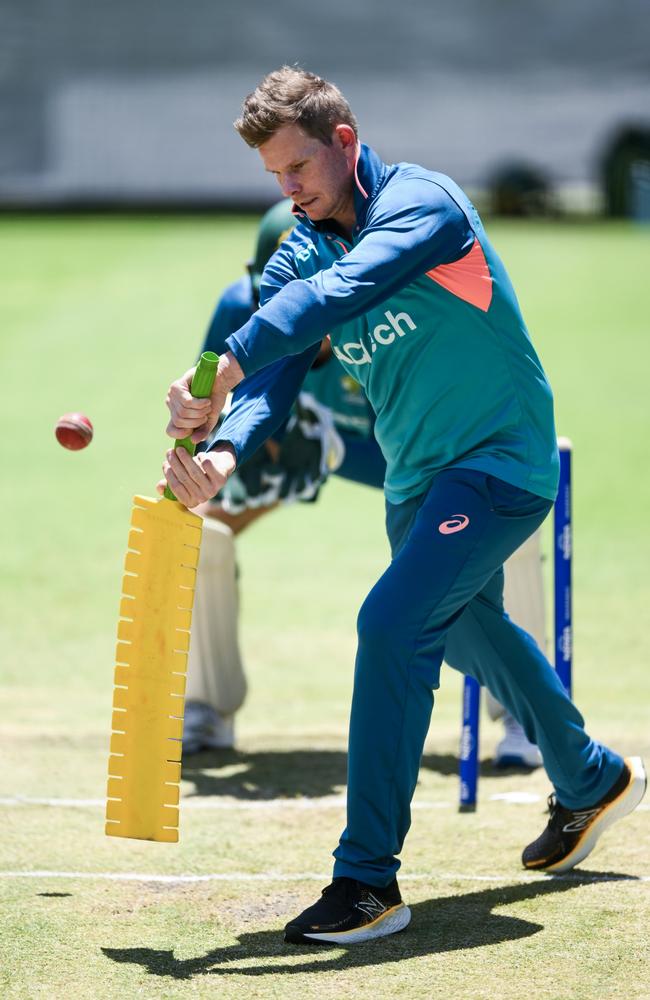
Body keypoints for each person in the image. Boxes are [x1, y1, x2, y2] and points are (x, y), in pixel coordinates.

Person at [160, 68, 646, 945]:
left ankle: (367, 881)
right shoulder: (299, 240)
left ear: (345, 142)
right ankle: (593, 778)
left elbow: (338, 297)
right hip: (416, 481)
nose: (291, 190)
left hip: (498, 463)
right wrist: (224, 448)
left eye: (300, 167)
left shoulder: (426, 205)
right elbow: (274, 376)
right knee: (467, 629)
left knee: (391, 624)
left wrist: (225, 359)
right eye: (275, 178)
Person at [184, 199, 544, 769]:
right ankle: (205, 707)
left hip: (410, 460)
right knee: (201, 529)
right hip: (289, 460)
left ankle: (522, 716)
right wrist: (207, 468)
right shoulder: (238, 310)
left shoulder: (387, 305)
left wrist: (329, 449)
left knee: (506, 539)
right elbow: (221, 424)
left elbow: (435, 431)